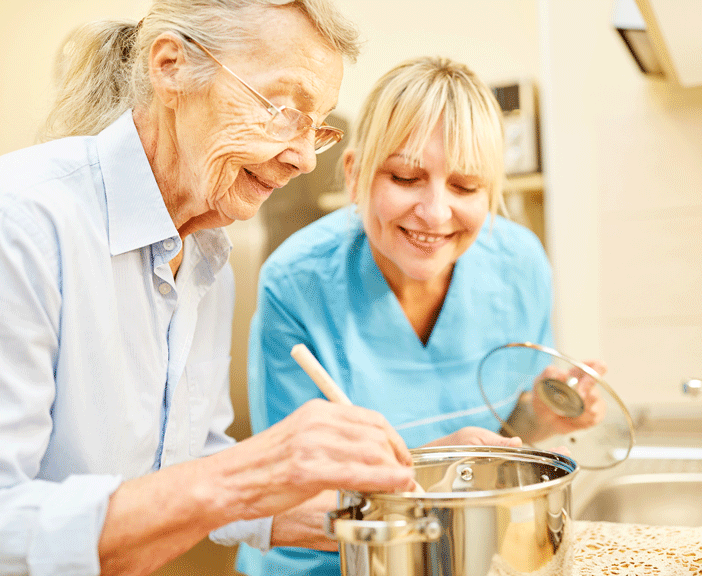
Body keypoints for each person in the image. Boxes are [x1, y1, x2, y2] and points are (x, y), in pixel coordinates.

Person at [0, 2, 425, 575]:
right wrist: (254, 472)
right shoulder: (18, 223)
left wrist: (386, 514)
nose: (299, 158)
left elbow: (187, 461)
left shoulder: (206, 252)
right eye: (281, 108)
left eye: (313, 127)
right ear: (170, 67)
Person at [238, 55, 606, 575]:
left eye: (465, 187)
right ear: (354, 174)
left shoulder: (520, 266)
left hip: (466, 558)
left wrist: (539, 418)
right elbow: (283, 494)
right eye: (407, 177)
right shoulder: (299, 283)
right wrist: (432, 468)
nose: (435, 213)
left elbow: (502, 431)